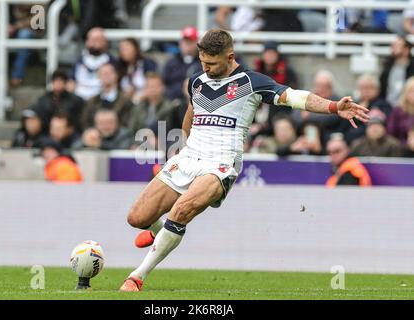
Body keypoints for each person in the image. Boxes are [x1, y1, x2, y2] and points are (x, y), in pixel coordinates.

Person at [118, 29, 370, 292]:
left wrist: (333, 106)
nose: (206, 68)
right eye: (203, 62)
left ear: (230, 56)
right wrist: (184, 147)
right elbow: (192, 114)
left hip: (221, 164)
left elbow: (295, 97)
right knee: (137, 217)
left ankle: (137, 277)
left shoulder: (251, 82)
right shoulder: (196, 82)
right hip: (190, 156)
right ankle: (160, 233)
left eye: (212, 63)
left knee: (181, 212)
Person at [67, 27, 116, 101]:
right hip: (79, 101)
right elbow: (71, 82)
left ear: (105, 42)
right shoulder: (79, 62)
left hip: (100, 101)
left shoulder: (111, 62)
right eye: (91, 40)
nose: (93, 43)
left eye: (97, 40)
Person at [82, 63, 134, 129]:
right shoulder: (92, 102)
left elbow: (128, 123)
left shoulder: (126, 101)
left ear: (116, 75)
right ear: (99, 77)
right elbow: (86, 122)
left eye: (109, 73)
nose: (106, 76)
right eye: (103, 74)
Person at [343, 73, 392, 144]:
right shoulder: (352, 104)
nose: (366, 91)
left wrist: (364, 111)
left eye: (370, 87)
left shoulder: (383, 105)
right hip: (352, 141)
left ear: (377, 89)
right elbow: (345, 126)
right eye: (363, 88)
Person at [128, 73, 176, 139]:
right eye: (150, 86)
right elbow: (131, 130)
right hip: (139, 143)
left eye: (156, 86)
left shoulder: (169, 107)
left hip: (162, 144)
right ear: (145, 89)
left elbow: (167, 130)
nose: (153, 90)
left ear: (163, 87)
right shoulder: (138, 107)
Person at [162, 26, 203, 101]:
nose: (188, 44)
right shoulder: (171, 63)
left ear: (197, 43)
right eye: (185, 41)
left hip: (195, 102)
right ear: (180, 42)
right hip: (172, 103)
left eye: (191, 41)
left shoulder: (203, 62)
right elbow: (163, 84)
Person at [117, 38, 158, 104]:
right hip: (125, 103)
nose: (124, 51)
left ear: (135, 49)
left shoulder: (147, 64)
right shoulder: (118, 67)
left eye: (127, 48)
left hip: (145, 101)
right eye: (121, 49)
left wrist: (139, 97)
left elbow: (154, 84)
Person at [379, 35, 414, 107]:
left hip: (408, 106)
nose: (393, 48)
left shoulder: (412, 67)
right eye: (393, 46)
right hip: (388, 106)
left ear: (406, 49)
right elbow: (382, 89)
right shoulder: (387, 66)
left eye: (397, 46)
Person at [387, 76, 414, 145]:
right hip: (401, 149)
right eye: (411, 91)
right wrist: (407, 144)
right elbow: (391, 133)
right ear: (405, 93)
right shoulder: (397, 111)